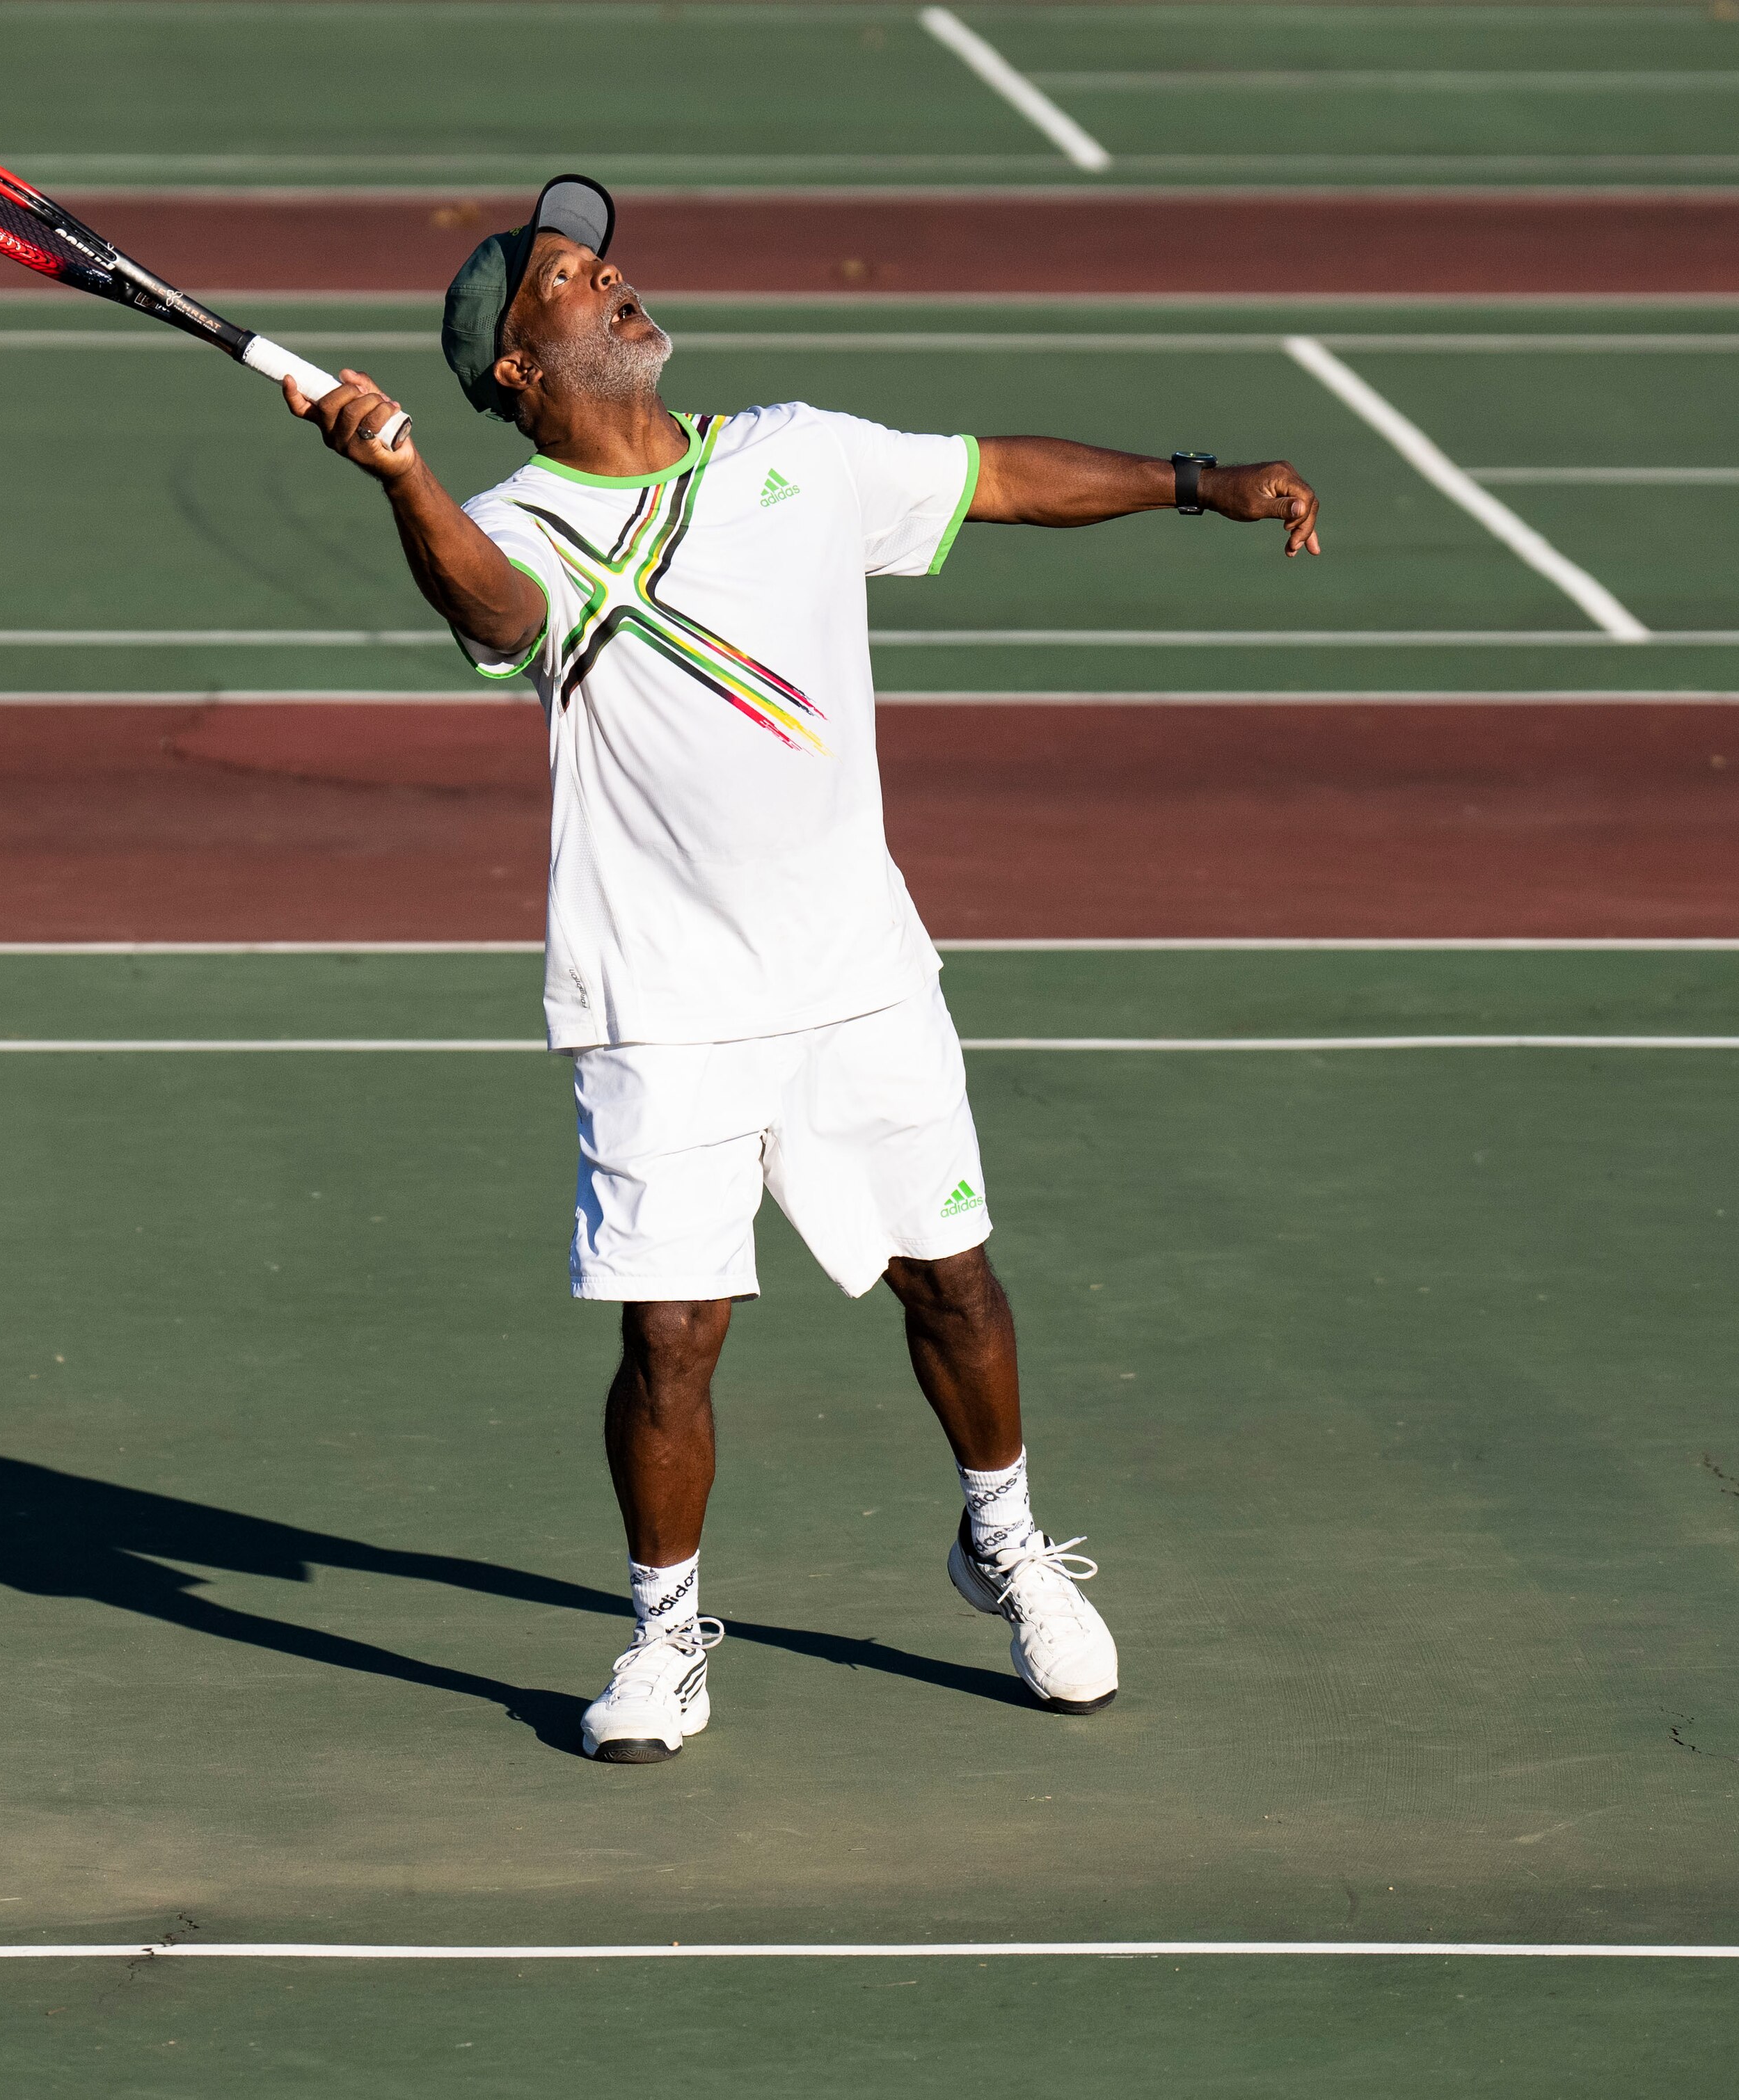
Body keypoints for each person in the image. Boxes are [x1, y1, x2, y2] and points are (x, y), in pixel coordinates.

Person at [281, 175, 1321, 1764]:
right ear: (513, 367)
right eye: (567, 278)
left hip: (856, 976)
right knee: (671, 1339)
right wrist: (403, 481)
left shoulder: (795, 457)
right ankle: (664, 1633)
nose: (613, 277)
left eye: (604, 257)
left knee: (952, 1286)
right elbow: (489, 612)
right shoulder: (510, 526)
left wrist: (1196, 480)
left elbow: (1000, 482)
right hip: (660, 1003)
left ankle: (1005, 1543)